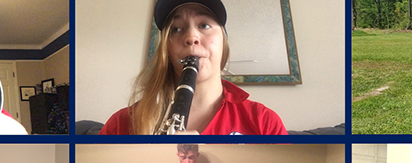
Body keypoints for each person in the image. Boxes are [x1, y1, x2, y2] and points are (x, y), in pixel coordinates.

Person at [100, 0, 287, 135]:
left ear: (223, 42)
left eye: (204, 25)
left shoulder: (264, 123)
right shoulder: (121, 124)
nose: (191, 37)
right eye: (176, 29)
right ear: (167, 48)